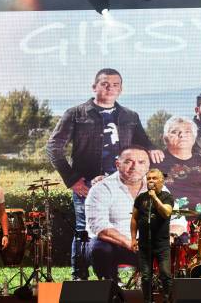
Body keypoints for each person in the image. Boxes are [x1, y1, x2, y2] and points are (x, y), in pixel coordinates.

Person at [46, 68, 163, 280]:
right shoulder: (75, 114)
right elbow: (54, 147)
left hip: (124, 183)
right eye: (104, 84)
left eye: (115, 84)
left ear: (121, 89)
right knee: (84, 230)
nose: (110, 88)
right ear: (94, 87)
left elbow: (143, 143)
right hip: (90, 184)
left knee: (123, 226)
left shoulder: (130, 115)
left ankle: (115, 276)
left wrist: (152, 148)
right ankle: (79, 278)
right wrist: (72, 180)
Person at [85, 146, 151, 280]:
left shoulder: (157, 188)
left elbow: (176, 220)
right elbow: (100, 227)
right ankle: (111, 288)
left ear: (148, 166)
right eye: (128, 162)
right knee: (100, 248)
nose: (135, 167)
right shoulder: (101, 189)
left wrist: (170, 236)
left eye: (141, 162)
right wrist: (130, 243)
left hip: (146, 244)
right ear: (117, 164)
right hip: (116, 244)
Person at [154, 116, 201, 212]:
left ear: (194, 137)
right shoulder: (155, 161)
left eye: (187, 131)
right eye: (174, 132)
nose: (182, 135)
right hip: (168, 221)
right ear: (165, 138)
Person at [131, 169, 174, 303]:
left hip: (162, 245)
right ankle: (148, 301)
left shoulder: (167, 197)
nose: (151, 181)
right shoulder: (140, 198)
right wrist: (133, 238)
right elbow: (134, 219)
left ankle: (167, 300)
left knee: (166, 274)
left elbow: (166, 213)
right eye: (149, 178)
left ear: (161, 181)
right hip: (144, 244)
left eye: (154, 178)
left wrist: (154, 197)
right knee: (145, 276)